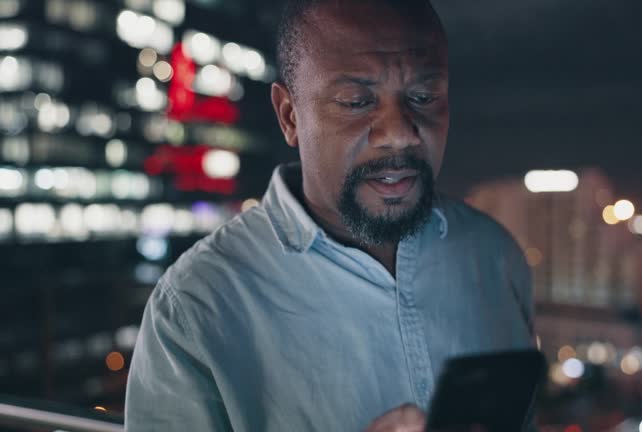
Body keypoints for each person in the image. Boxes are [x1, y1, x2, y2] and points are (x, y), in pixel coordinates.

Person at [125, 0, 535, 430]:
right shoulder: (196, 306)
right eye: (357, 101)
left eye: (423, 96)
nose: (398, 132)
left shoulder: (494, 255)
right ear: (289, 116)